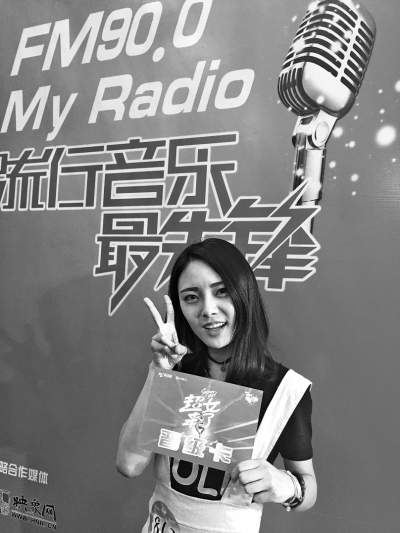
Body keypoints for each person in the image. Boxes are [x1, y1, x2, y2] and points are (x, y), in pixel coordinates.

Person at [116, 238, 317, 533]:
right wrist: (159, 372)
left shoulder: (285, 390)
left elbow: (307, 486)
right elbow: (128, 464)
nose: (208, 310)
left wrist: (286, 485)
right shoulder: (176, 371)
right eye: (191, 297)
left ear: (244, 292)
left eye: (221, 291)